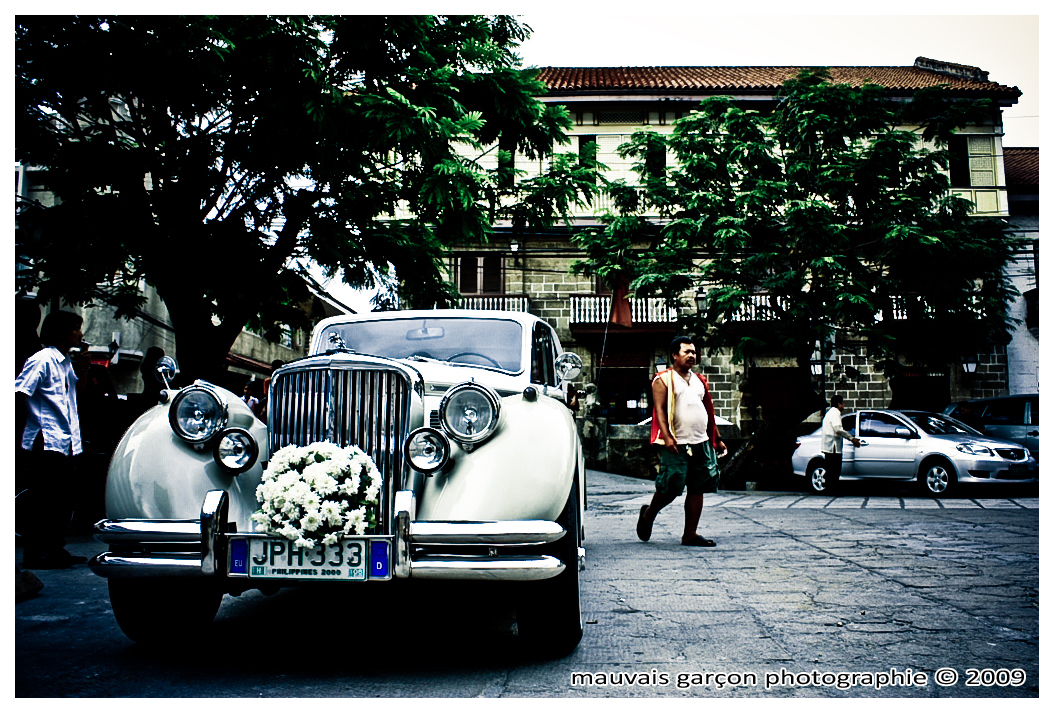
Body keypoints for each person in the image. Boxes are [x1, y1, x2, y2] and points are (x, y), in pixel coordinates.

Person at [15, 310, 89, 569]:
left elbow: (72, 399)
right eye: (75, 329)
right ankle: (36, 553)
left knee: (61, 498)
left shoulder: (66, 363)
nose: (80, 333)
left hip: (64, 440)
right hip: (45, 439)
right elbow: (19, 392)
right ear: (61, 333)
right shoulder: (42, 360)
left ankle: (55, 549)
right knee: (43, 499)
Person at [637, 336, 727, 547]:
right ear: (674, 355)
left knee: (698, 487)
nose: (691, 355)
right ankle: (648, 514)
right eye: (686, 352)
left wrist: (718, 439)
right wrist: (667, 437)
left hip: (701, 441)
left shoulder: (699, 380)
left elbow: (708, 412)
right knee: (670, 486)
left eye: (694, 352)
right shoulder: (663, 379)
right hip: (677, 442)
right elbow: (658, 410)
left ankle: (690, 534)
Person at [821, 394, 861, 493]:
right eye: (843, 403)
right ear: (839, 404)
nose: (844, 406)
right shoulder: (835, 413)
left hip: (829, 446)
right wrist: (851, 438)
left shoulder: (829, 413)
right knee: (834, 470)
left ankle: (829, 487)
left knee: (830, 469)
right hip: (833, 447)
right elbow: (838, 429)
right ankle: (832, 489)